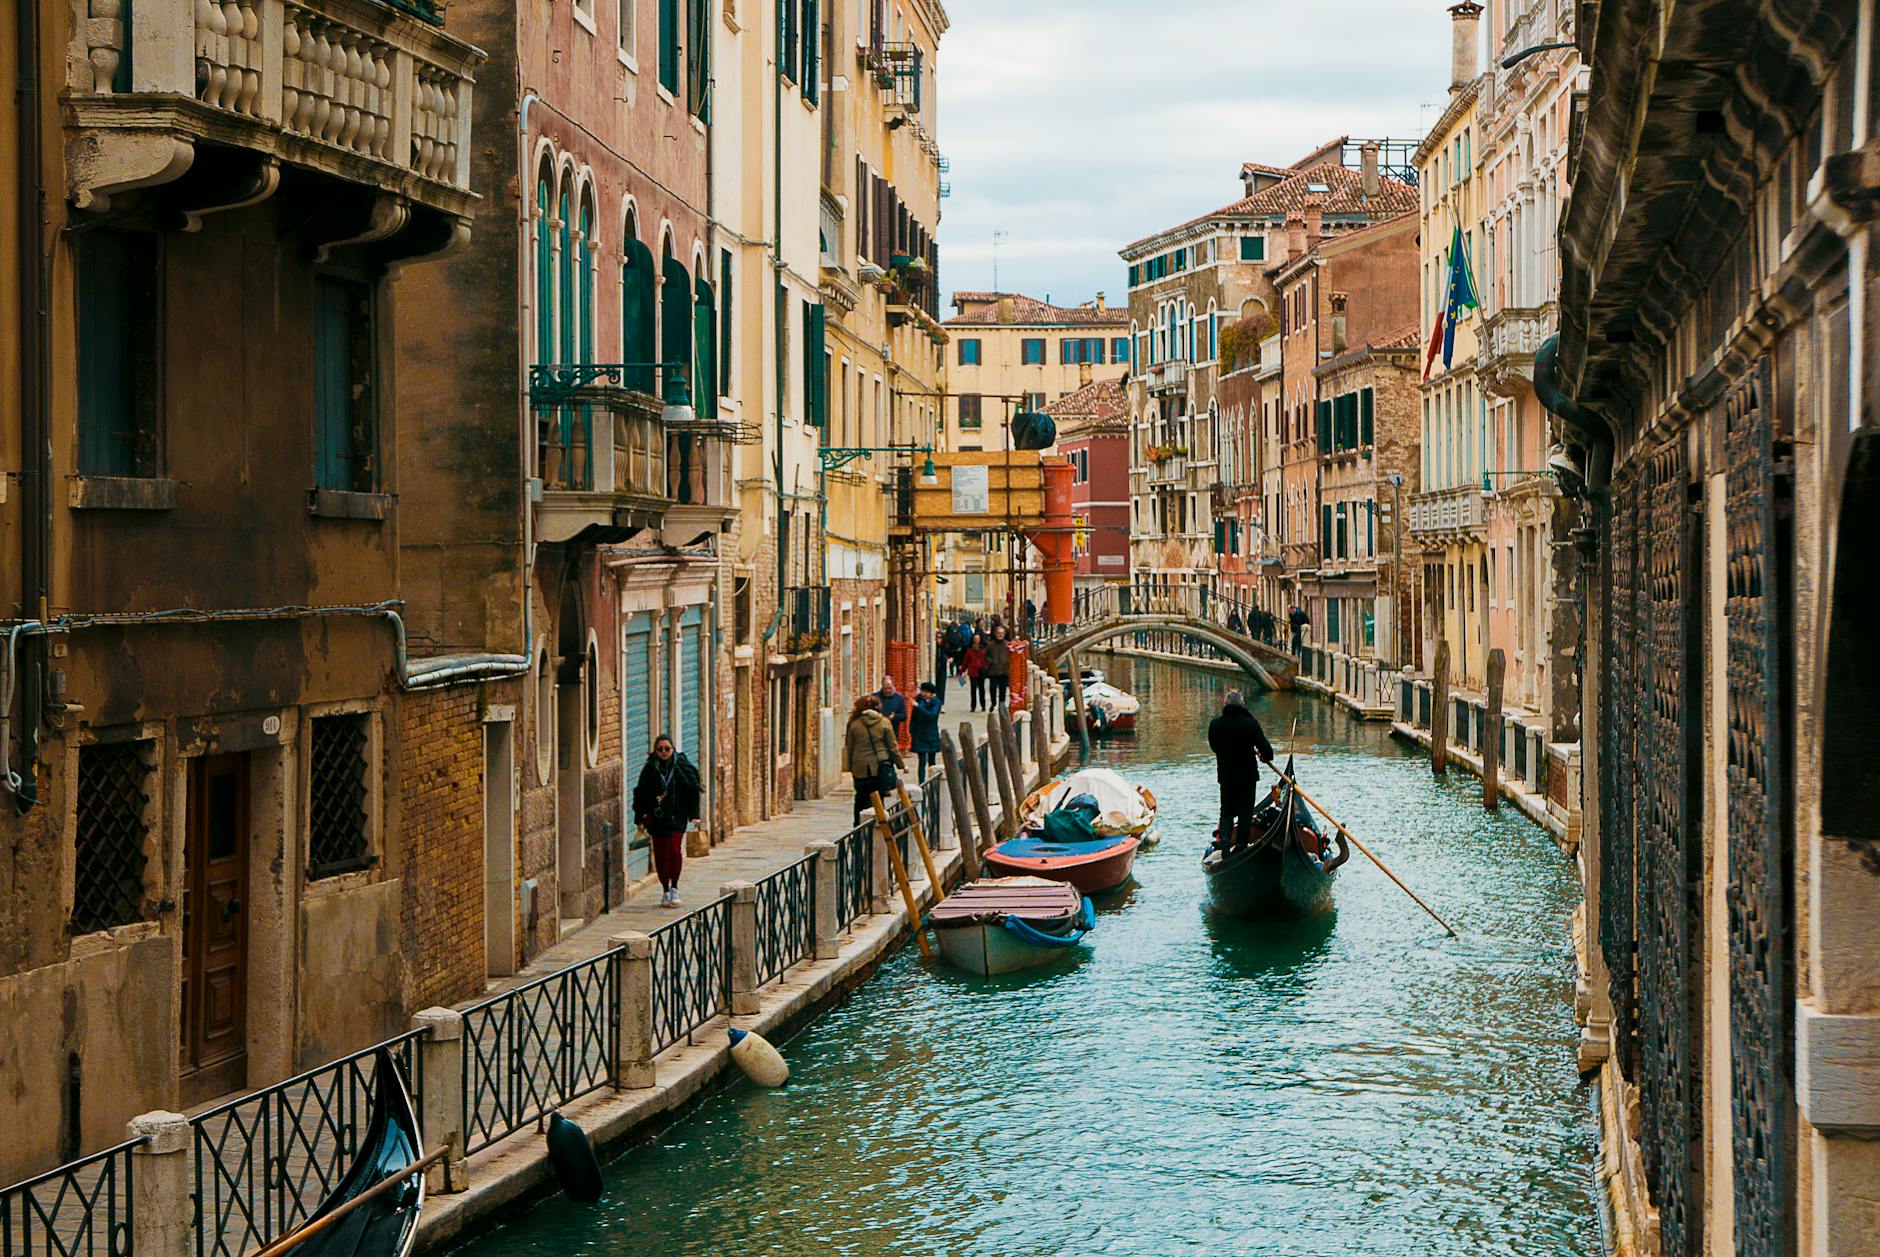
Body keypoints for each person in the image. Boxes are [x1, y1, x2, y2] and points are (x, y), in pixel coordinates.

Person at [632, 734, 702, 906]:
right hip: (656, 819)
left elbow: (692, 790)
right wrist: (639, 818)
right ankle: (665, 889)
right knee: (661, 856)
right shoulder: (650, 769)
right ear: (655, 751)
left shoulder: (682, 766)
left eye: (667, 749)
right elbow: (640, 794)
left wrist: (695, 815)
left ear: (673, 749)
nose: (664, 752)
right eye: (660, 749)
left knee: (674, 851)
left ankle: (675, 887)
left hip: (676, 817)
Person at [1208, 689, 1275, 848]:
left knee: (1227, 811)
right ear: (1242, 704)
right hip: (1247, 777)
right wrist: (1262, 756)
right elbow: (1268, 752)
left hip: (1226, 777)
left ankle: (1224, 839)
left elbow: (1215, 747)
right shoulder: (1250, 723)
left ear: (1225, 704)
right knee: (1245, 813)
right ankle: (1241, 846)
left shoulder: (1215, 725)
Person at [844, 694, 904, 824]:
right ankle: (879, 826)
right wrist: (901, 765)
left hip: (860, 767)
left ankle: (858, 828)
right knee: (879, 798)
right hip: (880, 766)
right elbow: (893, 747)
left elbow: (849, 748)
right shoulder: (884, 722)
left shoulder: (854, 724)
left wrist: (848, 767)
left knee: (860, 798)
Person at [910, 682, 942, 782]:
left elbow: (932, 716)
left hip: (931, 734)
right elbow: (913, 717)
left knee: (932, 761)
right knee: (922, 761)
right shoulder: (919, 699)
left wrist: (919, 707)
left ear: (931, 693)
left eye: (925, 692)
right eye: (922, 691)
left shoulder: (936, 702)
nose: (923, 694)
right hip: (920, 734)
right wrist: (911, 731)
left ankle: (933, 781)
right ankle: (922, 782)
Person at [985, 624, 1012, 708]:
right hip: (993, 670)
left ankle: (1001, 704)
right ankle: (993, 702)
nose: (1000, 635)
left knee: (1002, 689)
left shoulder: (1007, 645)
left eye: (1002, 633)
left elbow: (1011, 656)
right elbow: (986, 655)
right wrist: (991, 662)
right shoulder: (990, 645)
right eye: (999, 633)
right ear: (995, 634)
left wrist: (1007, 662)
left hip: (1004, 670)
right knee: (992, 689)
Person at [963, 637, 988, 711]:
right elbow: (965, 661)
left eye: (978, 639)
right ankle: (973, 706)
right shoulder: (969, 650)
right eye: (975, 639)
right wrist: (962, 671)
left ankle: (983, 705)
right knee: (973, 690)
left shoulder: (983, 649)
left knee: (982, 689)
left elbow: (986, 660)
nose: (976, 640)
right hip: (972, 671)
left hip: (981, 671)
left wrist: (986, 667)